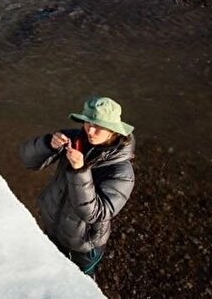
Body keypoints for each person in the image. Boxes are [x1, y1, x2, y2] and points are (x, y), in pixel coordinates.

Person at [20, 97, 135, 276]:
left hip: (83, 245)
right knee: (48, 273)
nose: (91, 130)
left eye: (99, 126)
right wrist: (48, 144)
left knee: (78, 283)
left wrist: (80, 170)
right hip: (52, 226)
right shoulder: (74, 139)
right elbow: (28, 160)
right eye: (88, 122)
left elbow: (94, 214)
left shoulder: (121, 172)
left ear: (114, 130)